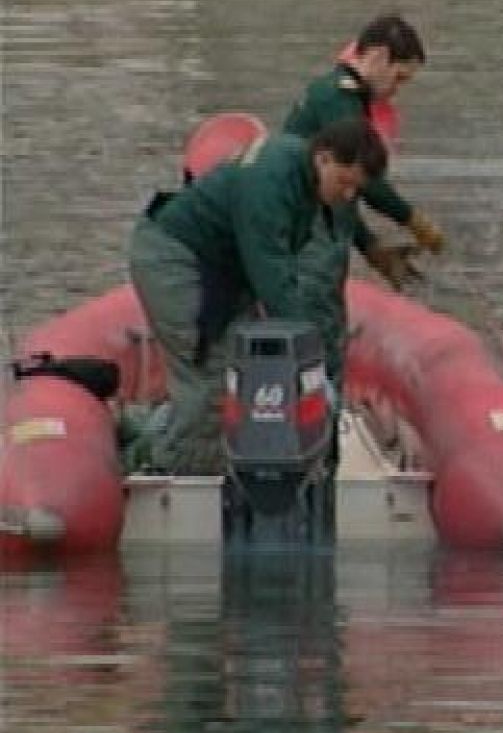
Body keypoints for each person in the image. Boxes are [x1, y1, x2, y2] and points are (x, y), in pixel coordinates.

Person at [128, 120, 391, 477]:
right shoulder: (271, 183)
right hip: (177, 260)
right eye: (344, 183)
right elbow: (272, 276)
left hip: (220, 268)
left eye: (354, 190)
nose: (347, 197)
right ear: (324, 158)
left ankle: (177, 442)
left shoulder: (305, 176)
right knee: (213, 375)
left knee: (248, 366)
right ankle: (177, 469)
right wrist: (312, 355)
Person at [282, 14, 444, 393]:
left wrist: (369, 244)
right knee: (320, 333)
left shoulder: (333, 96)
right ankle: (321, 428)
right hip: (309, 238)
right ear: (380, 57)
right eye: (399, 78)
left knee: (321, 328)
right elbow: (361, 179)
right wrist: (413, 219)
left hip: (313, 229)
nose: (395, 91)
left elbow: (342, 196)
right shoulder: (340, 101)